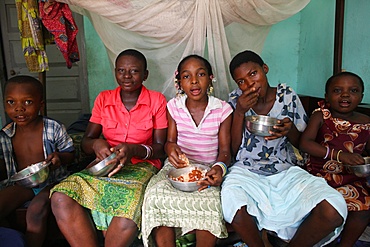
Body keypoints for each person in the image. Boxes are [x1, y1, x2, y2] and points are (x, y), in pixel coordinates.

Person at [221, 50, 348, 247]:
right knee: (233, 208)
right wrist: (239, 112)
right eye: (241, 81)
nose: (249, 84)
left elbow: (301, 144)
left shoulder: (287, 96)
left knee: (333, 208)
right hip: (246, 170)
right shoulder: (235, 100)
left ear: (265, 69)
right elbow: (233, 150)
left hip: (284, 168)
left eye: (253, 74)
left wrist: (288, 131)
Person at [50, 49, 168, 247]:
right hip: (104, 167)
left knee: (129, 208)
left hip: (141, 167)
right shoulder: (104, 99)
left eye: (134, 71)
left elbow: (160, 149)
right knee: (61, 196)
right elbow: (86, 142)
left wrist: (133, 150)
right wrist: (97, 143)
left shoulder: (156, 101)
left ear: (145, 74)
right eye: (121, 70)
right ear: (115, 72)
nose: (127, 76)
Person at [141, 54, 233, 247]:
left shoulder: (223, 110)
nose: (194, 81)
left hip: (208, 169)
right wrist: (170, 147)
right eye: (186, 76)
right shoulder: (174, 107)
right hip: (176, 169)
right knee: (156, 196)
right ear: (179, 82)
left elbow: (225, 151)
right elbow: (169, 142)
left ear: (210, 78)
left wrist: (219, 169)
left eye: (200, 74)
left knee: (210, 202)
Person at [0, 75, 75, 247]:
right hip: (22, 185)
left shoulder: (53, 128)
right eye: (11, 102)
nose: (19, 109)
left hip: (52, 182)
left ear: (41, 105)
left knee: (35, 212)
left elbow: (70, 153)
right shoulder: (5, 134)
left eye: (27, 102)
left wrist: (58, 158)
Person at [299, 71, 370, 246]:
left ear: (362, 96)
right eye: (337, 91)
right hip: (319, 176)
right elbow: (305, 144)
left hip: (351, 179)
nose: (345, 95)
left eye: (353, 91)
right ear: (327, 96)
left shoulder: (367, 122)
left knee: (365, 206)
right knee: (327, 207)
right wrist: (339, 155)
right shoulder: (321, 116)